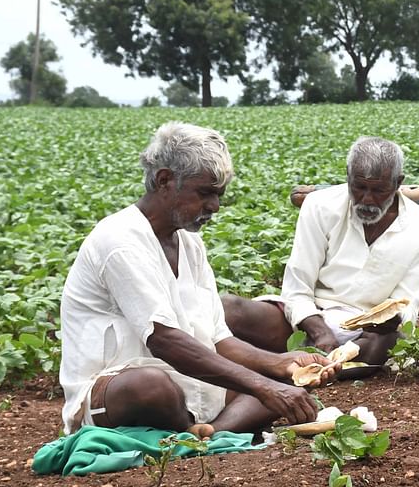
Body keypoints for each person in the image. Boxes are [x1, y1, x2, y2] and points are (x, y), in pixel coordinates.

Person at [59, 123, 336, 436]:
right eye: (205, 193)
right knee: (150, 386)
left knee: (287, 385)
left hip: (191, 388)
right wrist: (262, 386)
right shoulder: (120, 241)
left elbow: (219, 339)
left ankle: (207, 434)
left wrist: (280, 364)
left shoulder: (188, 242)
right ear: (165, 180)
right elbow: (164, 340)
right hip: (117, 393)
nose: (214, 206)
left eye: (218, 195)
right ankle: (205, 430)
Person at [222, 137, 419, 369]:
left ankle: (304, 364)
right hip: (307, 319)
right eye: (359, 187)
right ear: (347, 176)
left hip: (366, 333)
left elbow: (407, 302)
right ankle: (318, 363)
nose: (367, 199)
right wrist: (319, 330)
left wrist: (389, 318)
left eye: (379, 190)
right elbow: (297, 288)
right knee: (229, 309)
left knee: (385, 345)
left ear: (398, 183)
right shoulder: (319, 205)